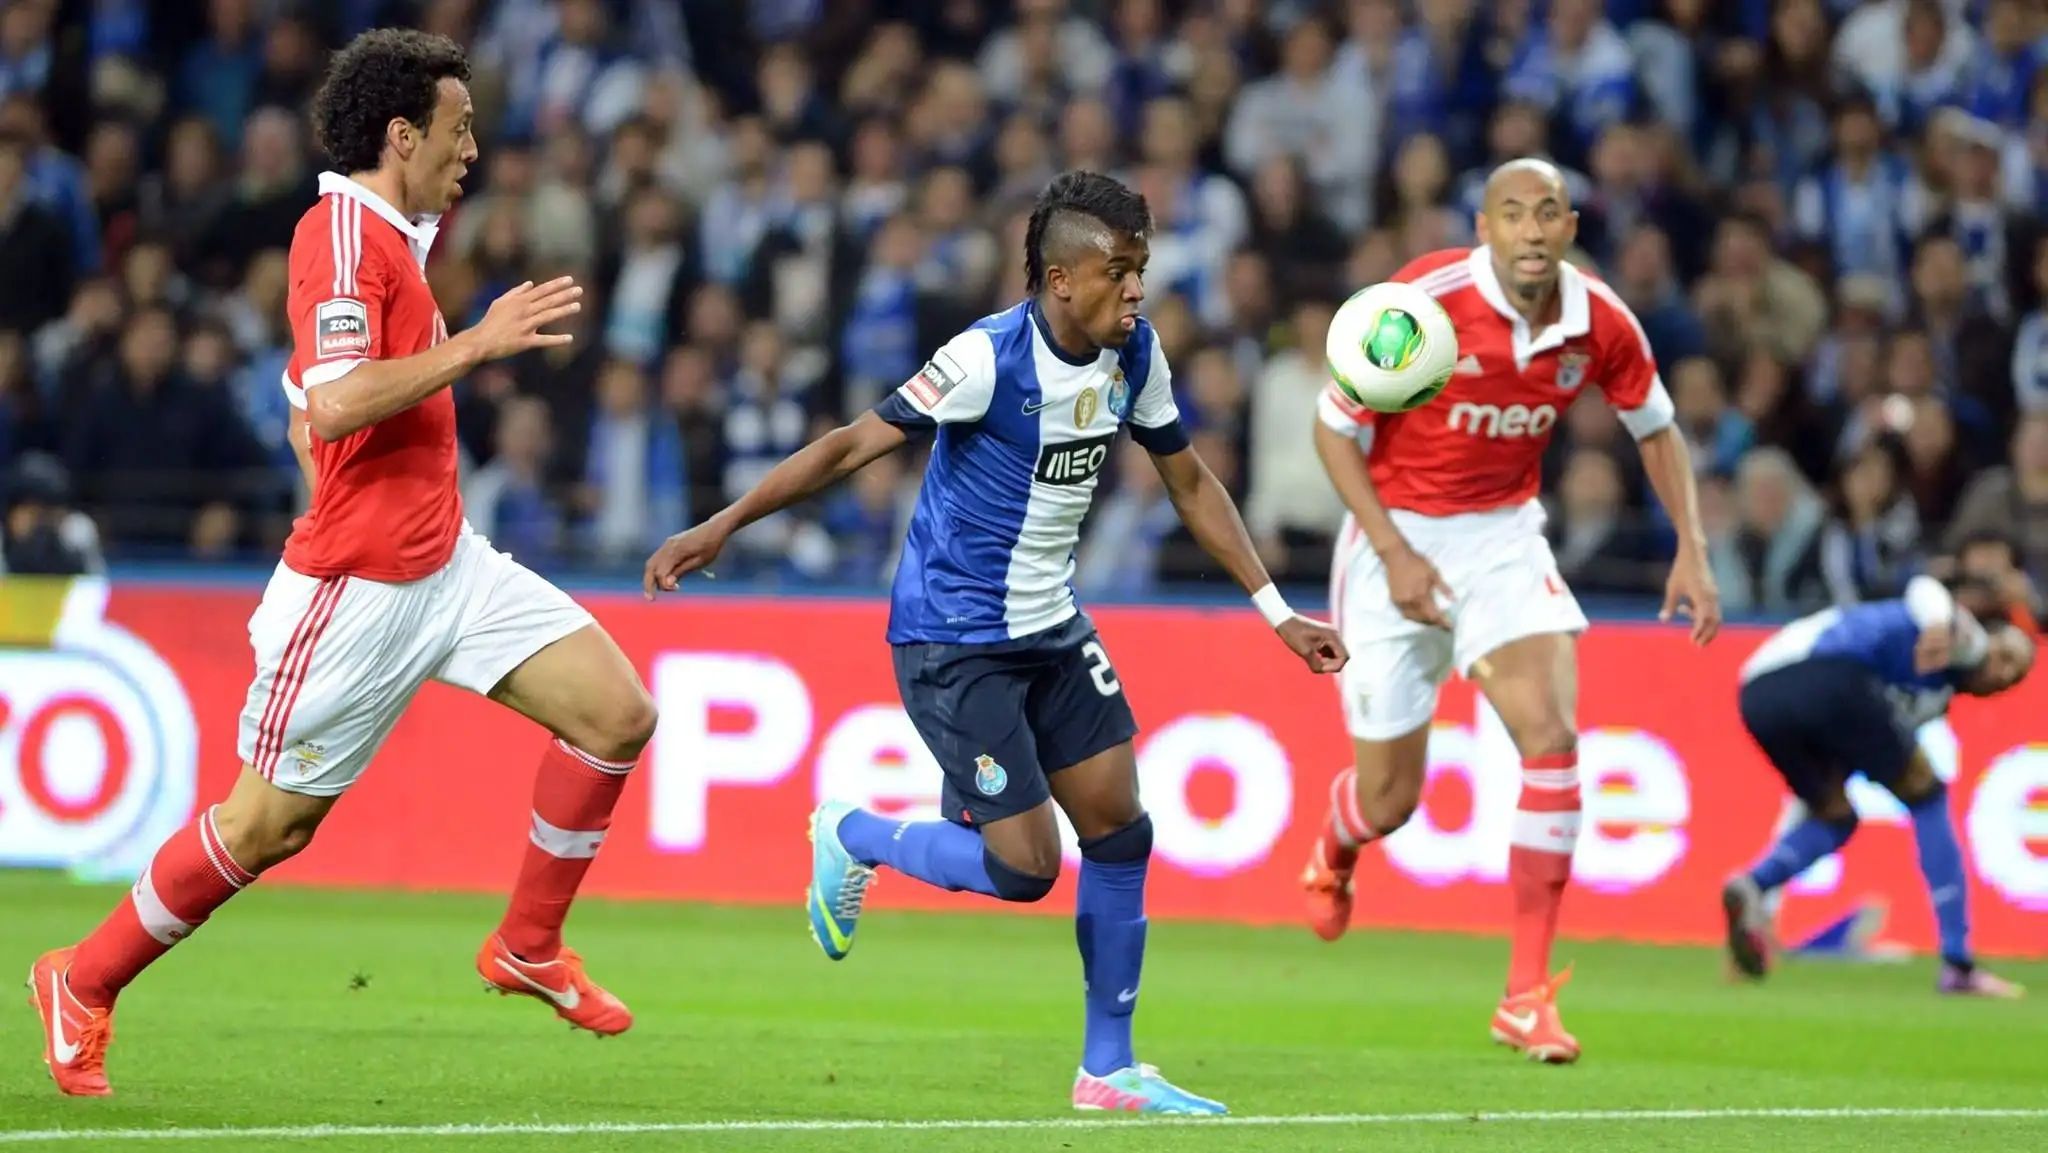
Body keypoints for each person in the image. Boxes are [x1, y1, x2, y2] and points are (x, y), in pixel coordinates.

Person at [29, 30, 659, 1099]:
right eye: (457, 132)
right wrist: (477, 343)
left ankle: (526, 943)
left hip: (447, 567)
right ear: (402, 134)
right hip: (356, 594)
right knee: (266, 826)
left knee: (615, 714)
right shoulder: (340, 234)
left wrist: (319, 419)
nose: (471, 151)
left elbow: (304, 396)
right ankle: (82, 978)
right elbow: (334, 398)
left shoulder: (390, 238)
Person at [644, 171, 1347, 1115]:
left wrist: (1277, 611)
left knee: (1120, 826)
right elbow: (853, 444)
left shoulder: (1136, 359)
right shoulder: (985, 360)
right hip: (953, 636)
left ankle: (1108, 1068)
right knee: (1025, 867)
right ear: (1061, 278)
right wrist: (719, 525)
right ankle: (853, 833)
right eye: (1121, 271)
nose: (1137, 290)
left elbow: (1191, 486)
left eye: (1142, 270)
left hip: (1050, 624)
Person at [1300, 158, 1722, 1065]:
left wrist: (1692, 544)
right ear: (1484, 228)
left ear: (1571, 227)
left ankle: (1525, 995)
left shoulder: (1600, 319)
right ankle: (1337, 842)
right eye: (1513, 214)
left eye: (1549, 214)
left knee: (1552, 734)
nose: (1532, 231)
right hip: (1392, 535)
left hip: (1499, 538)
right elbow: (1334, 429)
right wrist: (1396, 550)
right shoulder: (1422, 300)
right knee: (1390, 798)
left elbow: (1657, 428)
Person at [1721, 575, 2032, 998]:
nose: (2005, 675)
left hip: (1758, 697)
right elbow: (1924, 587)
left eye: (2017, 676)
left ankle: (1753, 886)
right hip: (1823, 670)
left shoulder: (1924, 698)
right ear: (1989, 639)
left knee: (1833, 814)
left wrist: (1763, 907)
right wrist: (1941, 623)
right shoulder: (1965, 642)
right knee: (1927, 794)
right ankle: (1958, 963)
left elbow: (1800, 806)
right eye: (2007, 657)